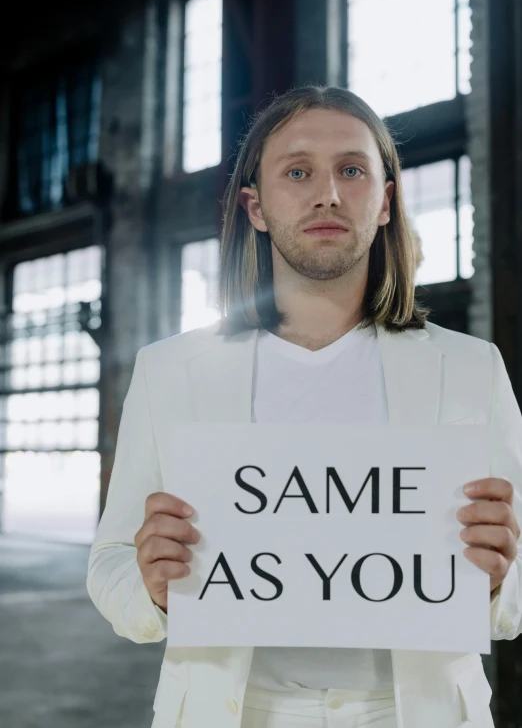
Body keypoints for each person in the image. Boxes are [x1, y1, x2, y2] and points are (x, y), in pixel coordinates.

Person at [86, 85, 522, 728]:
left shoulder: (470, 368)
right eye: (298, 171)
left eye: (352, 169)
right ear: (255, 206)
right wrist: (153, 590)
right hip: (231, 711)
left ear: (385, 202)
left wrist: (496, 578)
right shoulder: (169, 372)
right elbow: (110, 566)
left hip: (417, 712)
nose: (328, 193)